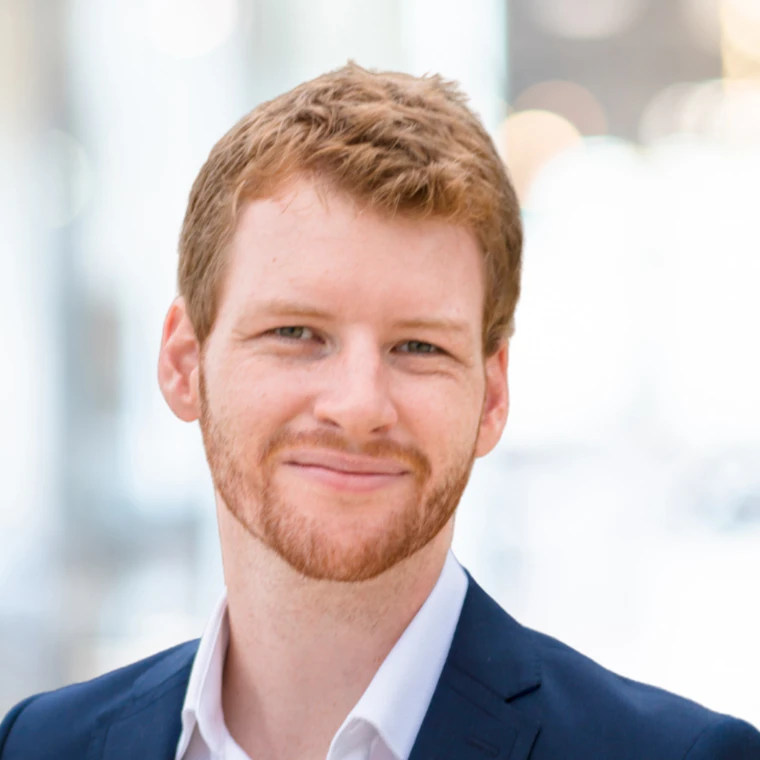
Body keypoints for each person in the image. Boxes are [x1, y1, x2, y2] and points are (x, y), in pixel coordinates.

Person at [1, 63, 758, 760]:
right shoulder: (39, 745)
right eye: (296, 333)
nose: (359, 406)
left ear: (492, 396)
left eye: (420, 347)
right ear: (183, 363)